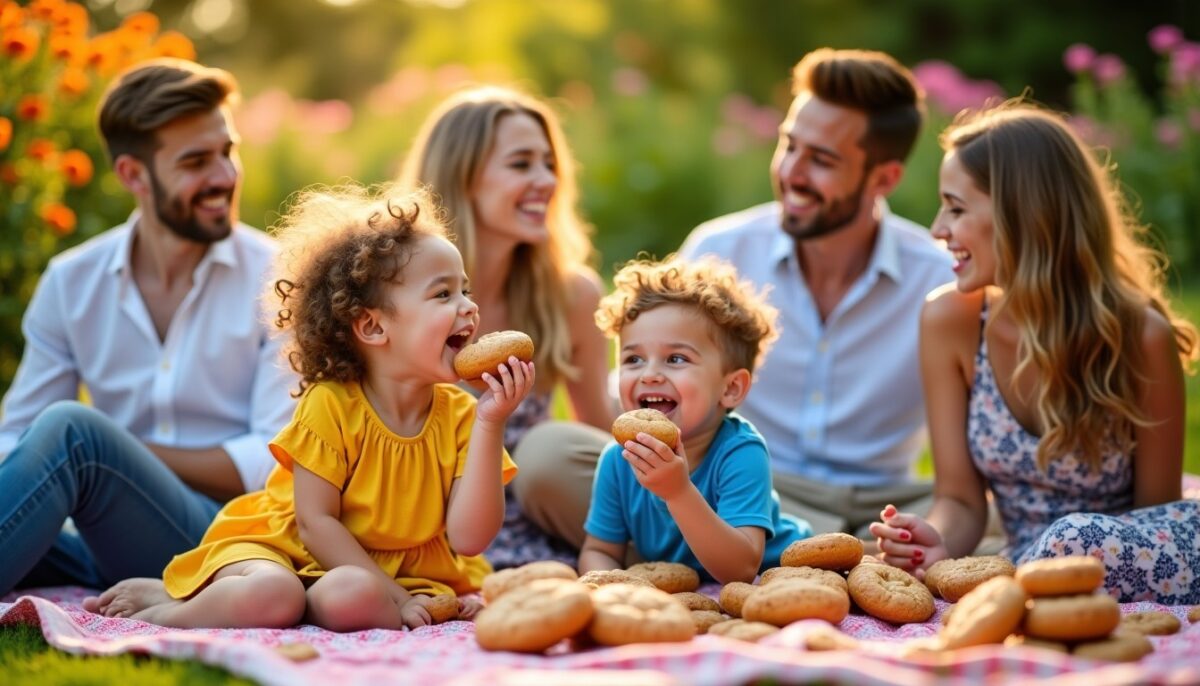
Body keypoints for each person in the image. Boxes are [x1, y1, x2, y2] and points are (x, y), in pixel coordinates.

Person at [83, 183, 534, 629]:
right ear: (374, 327)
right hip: (285, 551)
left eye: (465, 291)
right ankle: (168, 607)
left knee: (353, 595)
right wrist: (396, 599)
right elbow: (316, 524)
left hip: (371, 577)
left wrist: (491, 423)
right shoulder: (332, 404)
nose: (469, 308)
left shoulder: (460, 416)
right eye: (444, 294)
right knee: (273, 594)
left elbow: (470, 540)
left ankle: (308, 605)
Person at [870, 102, 1200, 604]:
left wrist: (1065, 552)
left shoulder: (1139, 337)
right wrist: (934, 541)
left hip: (1108, 559)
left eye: (956, 208)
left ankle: (1024, 577)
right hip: (1021, 563)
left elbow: (1156, 516)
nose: (938, 228)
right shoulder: (951, 322)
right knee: (1058, 545)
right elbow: (959, 499)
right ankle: (1021, 578)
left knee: (1076, 537)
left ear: (1023, 216)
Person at [0, 58, 297, 596]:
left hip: (230, 544)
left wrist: (113, 454)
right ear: (134, 175)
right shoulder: (73, 281)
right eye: (196, 161)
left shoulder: (280, 279)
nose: (225, 177)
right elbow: (15, 435)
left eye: (228, 153)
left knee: (74, 432)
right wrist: (94, 468)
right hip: (103, 539)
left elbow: (277, 460)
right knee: (69, 444)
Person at [677, 48, 955, 539]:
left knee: (1016, 524)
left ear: (884, 178)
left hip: (889, 506)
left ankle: (836, 552)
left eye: (821, 160)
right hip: (746, 491)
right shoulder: (718, 251)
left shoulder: (940, 278)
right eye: (789, 146)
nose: (792, 173)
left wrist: (948, 526)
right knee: (557, 461)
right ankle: (821, 553)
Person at [397, 86, 615, 566]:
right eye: (521, 165)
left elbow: (598, 425)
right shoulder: (396, 296)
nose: (546, 181)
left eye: (548, 163)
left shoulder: (570, 295)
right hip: (419, 528)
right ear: (462, 179)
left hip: (536, 530)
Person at [579, 256, 812, 583]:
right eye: (633, 359)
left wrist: (677, 491)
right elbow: (600, 549)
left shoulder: (741, 452)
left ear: (730, 388)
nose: (649, 374)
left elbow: (740, 570)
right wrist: (606, 587)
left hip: (779, 566)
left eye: (675, 358)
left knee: (855, 556)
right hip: (682, 581)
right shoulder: (619, 459)